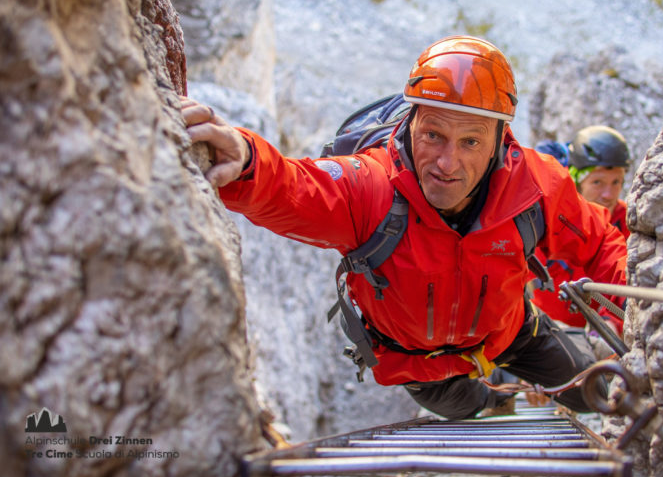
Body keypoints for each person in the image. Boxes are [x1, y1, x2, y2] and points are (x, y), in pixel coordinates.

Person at [181, 35, 627, 420]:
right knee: (471, 409)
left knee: (596, 392)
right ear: (411, 122)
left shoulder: (536, 185)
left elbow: (603, 241)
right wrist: (245, 163)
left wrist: (617, 325)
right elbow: (293, 186)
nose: (448, 164)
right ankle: (495, 401)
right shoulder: (370, 188)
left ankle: (508, 392)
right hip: (421, 367)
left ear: (500, 139)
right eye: (433, 135)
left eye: (470, 141)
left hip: (509, 333)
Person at [532, 127, 631, 335]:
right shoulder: (548, 218)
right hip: (537, 331)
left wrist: (608, 326)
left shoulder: (628, 223)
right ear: (576, 182)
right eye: (597, 182)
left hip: (589, 337)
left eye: (616, 182)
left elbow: (625, 283)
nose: (608, 194)